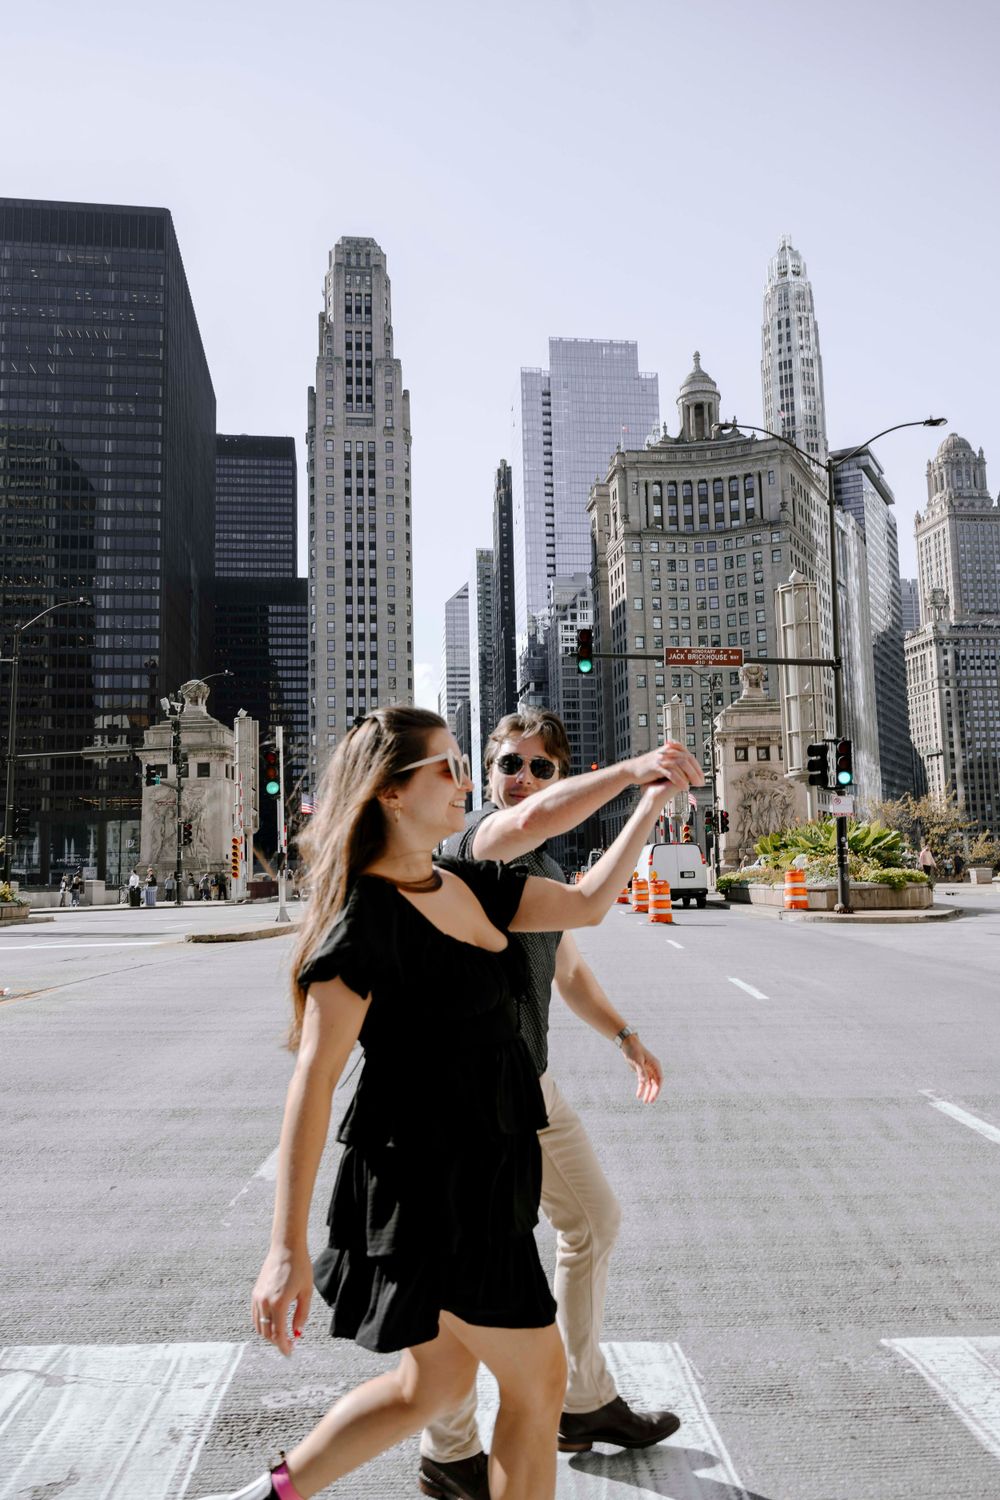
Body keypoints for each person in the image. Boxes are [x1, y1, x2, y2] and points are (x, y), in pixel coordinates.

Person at [195, 707, 674, 1500]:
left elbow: (587, 905)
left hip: (487, 1178)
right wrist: (284, 1249)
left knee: (433, 1389)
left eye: (461, 764)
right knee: (538, 1385)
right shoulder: (363, 924)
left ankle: (268, 1496)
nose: (464, 782)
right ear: (390, 793)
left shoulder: (470, 886)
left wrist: (648, 801)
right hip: (434, 1189)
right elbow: (313, 1084)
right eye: (445, 768)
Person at [419, 709, 703, 1499]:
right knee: (472, 1265)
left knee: (591, 1222)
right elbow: (572, 877)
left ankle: (583, 1401)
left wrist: (625, 1036)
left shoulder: (533, 863)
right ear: (486, 771)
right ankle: (450, 1450)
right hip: (472, 1093)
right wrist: (631, 775)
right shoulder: (471, 844)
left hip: (526, 1082)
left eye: (543, 768)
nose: (525, 780)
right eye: (512, 763)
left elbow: (569, 955)